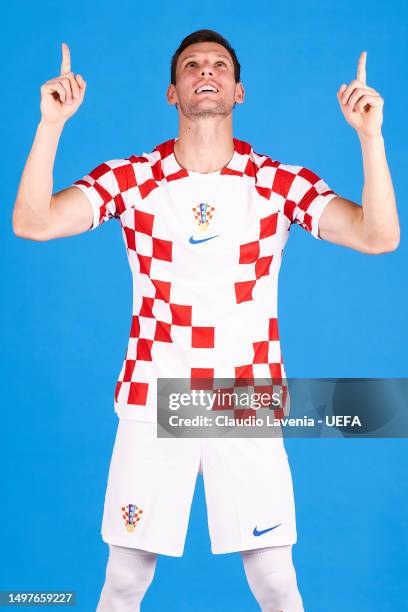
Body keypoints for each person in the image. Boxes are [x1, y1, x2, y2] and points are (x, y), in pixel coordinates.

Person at [12, 29, 399, 612]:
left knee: (275, 581)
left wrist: (371, 139)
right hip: (153, 398)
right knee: (122, 582)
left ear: (239, 91)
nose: (206, 72)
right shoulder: (133, 179)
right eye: (192, 66)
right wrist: (51, 125)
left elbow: (379, 236)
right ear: (173, 92)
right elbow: (33, 222)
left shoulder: (277, 183)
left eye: (219, 65)